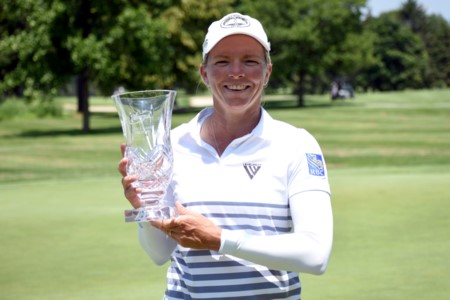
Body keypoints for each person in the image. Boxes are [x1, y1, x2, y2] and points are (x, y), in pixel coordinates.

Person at [118, 12, 333, 300]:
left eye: (250, 61)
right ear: (204, 73)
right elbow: (159, 253)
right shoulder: (172, 143)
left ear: (267, 72)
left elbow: (315, 254)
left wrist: (221, 240)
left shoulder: (297, 144)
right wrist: (148, 211)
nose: (236, 72)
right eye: (222, 62)